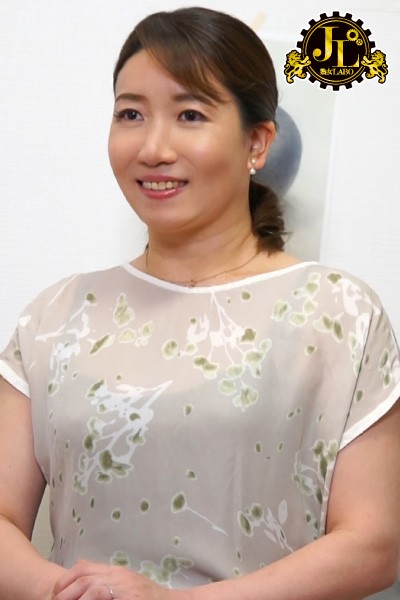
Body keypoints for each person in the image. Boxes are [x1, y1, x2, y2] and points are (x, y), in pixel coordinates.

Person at [0, 7, 399, 600]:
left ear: (257, 142)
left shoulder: (340, 314)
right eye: (130, 113)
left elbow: (373, 544)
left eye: (190, 114)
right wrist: (70, 593)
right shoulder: (55, 316)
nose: (153, 147)